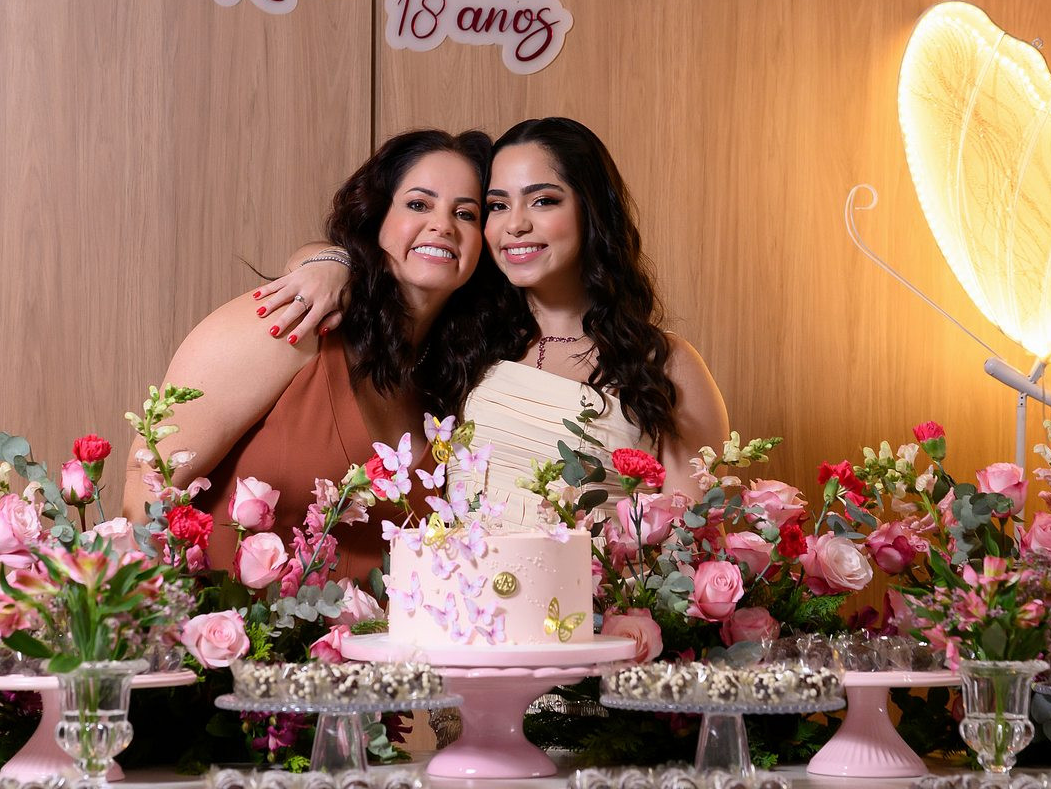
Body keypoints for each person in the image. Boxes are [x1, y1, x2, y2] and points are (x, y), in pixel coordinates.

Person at [256, 116, 728, 520]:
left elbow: (692, 547)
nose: (515, 224)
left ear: (592, 210)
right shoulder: (465, 341)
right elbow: (369, 265)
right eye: (498, 206)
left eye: (543, 200)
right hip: (454, 597)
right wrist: (332, 261)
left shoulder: (663, 364)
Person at [122, 128, 503, 575]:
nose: (443, 225)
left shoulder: (456, 382)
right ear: (377, 217)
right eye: (418, 204)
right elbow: (146, 486)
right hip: (210, 617)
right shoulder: (292, 322)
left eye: (465, 213)